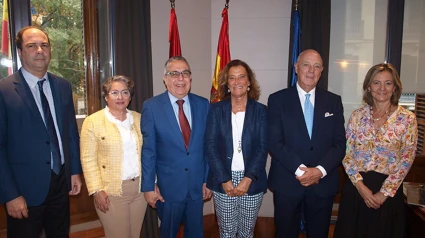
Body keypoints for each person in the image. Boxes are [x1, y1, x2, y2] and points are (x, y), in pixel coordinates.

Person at [0, 26, 82, 237]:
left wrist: (74, 171)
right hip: (24, 190)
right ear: (19, 52)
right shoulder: (4, 90)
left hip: (60, 183)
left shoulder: (62, 85)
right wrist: (10, 195)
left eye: (44, 45)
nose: (39, 50)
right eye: (32, 45)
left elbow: (71, 133)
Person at [267, 49, 346, 238]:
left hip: (323, 183)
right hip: (288, 181)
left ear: (321, 71)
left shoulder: (333, 102)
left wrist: (319, 170)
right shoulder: (277, 99)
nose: (311, 70)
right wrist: (301, 170)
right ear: (296, 67)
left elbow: (339, 144)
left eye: (317, 66)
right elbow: (274, 142)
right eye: (306, 65)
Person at [334, 63, 418, 238]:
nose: (382, 88)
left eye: (388, 83)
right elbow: (346, 153)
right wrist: (360, 186)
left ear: (394, 87)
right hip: (357, 190)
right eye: (376, 83)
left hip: (386, 195)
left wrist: (383, 193)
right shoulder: (357, 116)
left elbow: (406, 159)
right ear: (369, 87)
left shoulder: (407, 119)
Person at [141, 56, 212, 237]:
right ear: (165, 79)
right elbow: (149, 151)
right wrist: (149, 186)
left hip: (197, 187)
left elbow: (208, 146)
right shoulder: (152, 107)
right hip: (168, 189)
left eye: (185, 73)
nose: (180, 79)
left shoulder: (203, 105)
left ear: (190, 78)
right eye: (174, 74)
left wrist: (208, 179)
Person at [204, 59, 268, 237]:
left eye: (241, 77)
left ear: (249, 82)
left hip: (251, 180)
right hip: (223, 179)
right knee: (227, 232)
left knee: (247, 232)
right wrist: (224, 179)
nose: (237, 81)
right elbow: (210, 146)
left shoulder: (261, 111)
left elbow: (263, 148)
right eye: (232, 78)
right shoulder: (216, 110)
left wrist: (247, 179)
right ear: (227, 83)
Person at [80, 75, 147, 238]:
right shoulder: (93, 122)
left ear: (130, 97)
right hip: (111, 192)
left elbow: (149, 153)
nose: (120, 97)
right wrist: (97, 190)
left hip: (140, 190)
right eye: (114, 92)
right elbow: (88, 159)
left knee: (135, 234)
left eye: (125, 92)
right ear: (106, 96)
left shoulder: (139, 118)